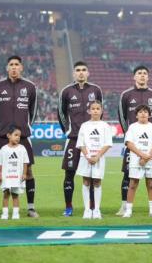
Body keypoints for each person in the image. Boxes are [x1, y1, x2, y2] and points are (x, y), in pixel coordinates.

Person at [0, 55, 39, 218]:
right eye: (11, 65)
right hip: (2, 136)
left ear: (21, 67)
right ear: (7, 68)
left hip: (23, 136)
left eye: (17, 65)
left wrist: (27, 127)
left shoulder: (30, 87)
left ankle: (31, 208)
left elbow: (33, 111)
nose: (14, 67)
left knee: (28, 172)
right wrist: (0, 129)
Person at [57, 60, 103, 217]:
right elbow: (61, 113)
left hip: (92, 142)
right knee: (69, 173)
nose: (81, 72)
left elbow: (99, 111)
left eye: (84, 70)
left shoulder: (96, 90)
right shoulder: (67, 91)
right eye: (78, 70)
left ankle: (91, 207)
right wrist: (68, 130)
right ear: (74, 73)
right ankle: (68, 207)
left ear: (88, 73)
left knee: (90, 175)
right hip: (74, 139)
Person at [116, 65, 152, 215]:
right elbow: (122, 116)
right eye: (139, 73)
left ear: (148, 77)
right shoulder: (126, 94)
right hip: (134, 144)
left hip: (150, 145)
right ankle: (124, 206)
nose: (142, 76)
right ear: (134, 77)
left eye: (144, 73)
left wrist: (150, 135)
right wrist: (128, 134)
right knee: (128, 175)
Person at [122, 105, 152, 218]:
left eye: (145, 112)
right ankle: (128, 210)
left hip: (150, 160)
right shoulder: (132, 127)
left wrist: (147, 156)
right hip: (136, 160)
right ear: (136, 115)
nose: (143, 114)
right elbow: (129, 143)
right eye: (140, 112)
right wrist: (141, 155)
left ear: (149, 115)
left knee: (151, 184)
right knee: (133, 184)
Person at [76, 100, 113, 220]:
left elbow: (107, 143)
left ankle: (96, 210)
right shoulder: (84, 126)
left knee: (97, 182)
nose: (95, 111)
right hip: (85, 158)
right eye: (93, 108)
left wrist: (97, 156)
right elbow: (81, 143)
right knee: (86, 181)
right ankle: (87, 210)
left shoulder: (105, 126)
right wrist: (87, 156)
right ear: (89, 111)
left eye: (98, 108)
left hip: (99, 158)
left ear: (101, 111)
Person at [0, 126, 30, 220]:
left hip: (17, 176)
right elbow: (0, 163)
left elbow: (25, 162)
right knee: (6, 194)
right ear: (9, 136)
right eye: (16, 135)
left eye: (19, 135)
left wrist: (24, 173)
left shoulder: (22, 148)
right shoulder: (4, 149)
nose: (18, 137)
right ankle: (5, 214)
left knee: (15, 195)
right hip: (6, 176)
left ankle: (15, 214)